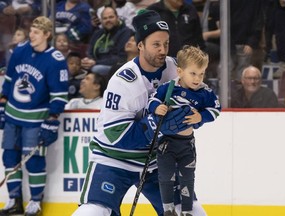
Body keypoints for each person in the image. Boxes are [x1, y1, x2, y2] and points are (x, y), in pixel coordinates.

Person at [72, 10, 207, 216]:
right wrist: (156, 124)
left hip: (158, 160)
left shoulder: (175, 70)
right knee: (93, 212)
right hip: (114, 159)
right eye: (156, 44)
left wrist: (194, 117)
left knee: (191, 212)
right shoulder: (123, 81)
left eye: (166, 44)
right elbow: (114, 134)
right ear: (140, 45)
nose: (163, 50)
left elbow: (201, 101)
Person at [0, 16, 68, 216]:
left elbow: (59, 95)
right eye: (31, 30)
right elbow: (9, 81)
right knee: (9, 157)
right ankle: (14, 200)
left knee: (34, 161)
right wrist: (3, 105)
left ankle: (35, 203)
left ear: (48, 34)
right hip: (13, 116)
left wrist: (52, 119)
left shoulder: (55, 61)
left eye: (37, 32)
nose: (32, 35)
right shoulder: (20, 51)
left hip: (35, 120)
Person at [148, 45, 221, 216]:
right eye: (193, 73)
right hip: (166, 143)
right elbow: (152, 99)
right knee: (166, 176)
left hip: (187, 144)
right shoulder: (169, 88)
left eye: (201, 73)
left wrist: (201, 117)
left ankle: (187, 211)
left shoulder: (205, 93)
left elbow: (216, 109)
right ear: (180, 71)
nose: (198, 78)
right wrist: (156, 107)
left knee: (187, 178)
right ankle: (168, 209)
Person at [81, 6, 133, 75]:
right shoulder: (97, 33)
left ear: (117, 18)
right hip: (96, 64)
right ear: (101, 21)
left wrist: (95, 62)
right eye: (105, 18)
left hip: (115, 67)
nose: (108, 20)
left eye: (111, 17)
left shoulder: (125, 32)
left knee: (96, 69)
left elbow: (121, 58)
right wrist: (88, 61)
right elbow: (89, 51)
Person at [230, 0, 264, 80]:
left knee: (242, 74)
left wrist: (251, 43)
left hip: (245, 43)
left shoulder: (255, 2)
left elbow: (258, 21)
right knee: (225, 71)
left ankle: (241, 91)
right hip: (228, 42)